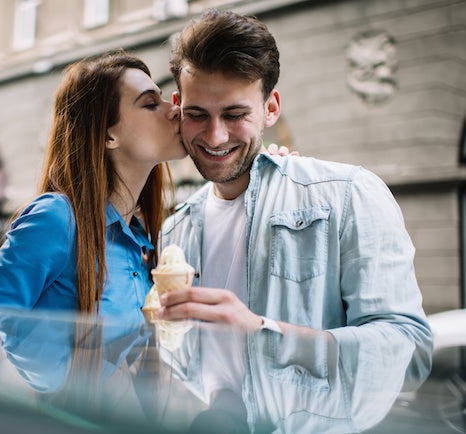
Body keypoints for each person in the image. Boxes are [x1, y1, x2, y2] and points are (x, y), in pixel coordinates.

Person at [158, 9, 433, 432]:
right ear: (177, 108)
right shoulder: (174, 231)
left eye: (235, 114)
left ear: (271, 108)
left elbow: (409, 352)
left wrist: (262, 332)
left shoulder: (348, 193)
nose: (214, 137)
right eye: (198, 114)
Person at [0, 50, 185, 324]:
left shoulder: (137, 240)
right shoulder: (57, 219)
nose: (175, 109)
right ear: (107, 134)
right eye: (151, 104)